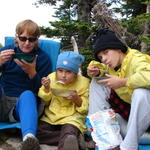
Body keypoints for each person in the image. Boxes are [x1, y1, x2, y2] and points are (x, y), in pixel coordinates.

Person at [87, 28, 150, 150]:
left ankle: (128, 147)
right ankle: (104, 135)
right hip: (132, 125)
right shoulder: (114, 65)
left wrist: (123, 82)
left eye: (106, 52)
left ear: (118, 48)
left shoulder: (136, 59)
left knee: (141, 92)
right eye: (100, 57)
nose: (103, 59)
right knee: (98, 80)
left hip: (146, 129)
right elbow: (103, 69)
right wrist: (96, 70)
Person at [0, 19, 52, 150]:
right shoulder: (6, 52)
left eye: (32, 39)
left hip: (23, 107)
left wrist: (32, 73)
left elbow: (44, 91)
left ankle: (29, 140)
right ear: (16, 37)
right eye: (23, 38)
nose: (27, 43)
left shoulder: (43, 58)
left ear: (37, 40)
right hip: (3, 99)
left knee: (28, 94)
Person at [37, 51, 90, 150]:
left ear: (75, 74)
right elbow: (45, 100)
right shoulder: (51, 78)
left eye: (68, 72)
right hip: (51, 116)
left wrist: (77, 99)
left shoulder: (84, 83)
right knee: (36, 132)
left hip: (71, 117)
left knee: (69, 131)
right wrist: (47, 88)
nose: (63, 75)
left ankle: (69, 140)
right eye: (60, 71)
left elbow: (85, 109)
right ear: (56, 70)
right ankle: (76, 139)